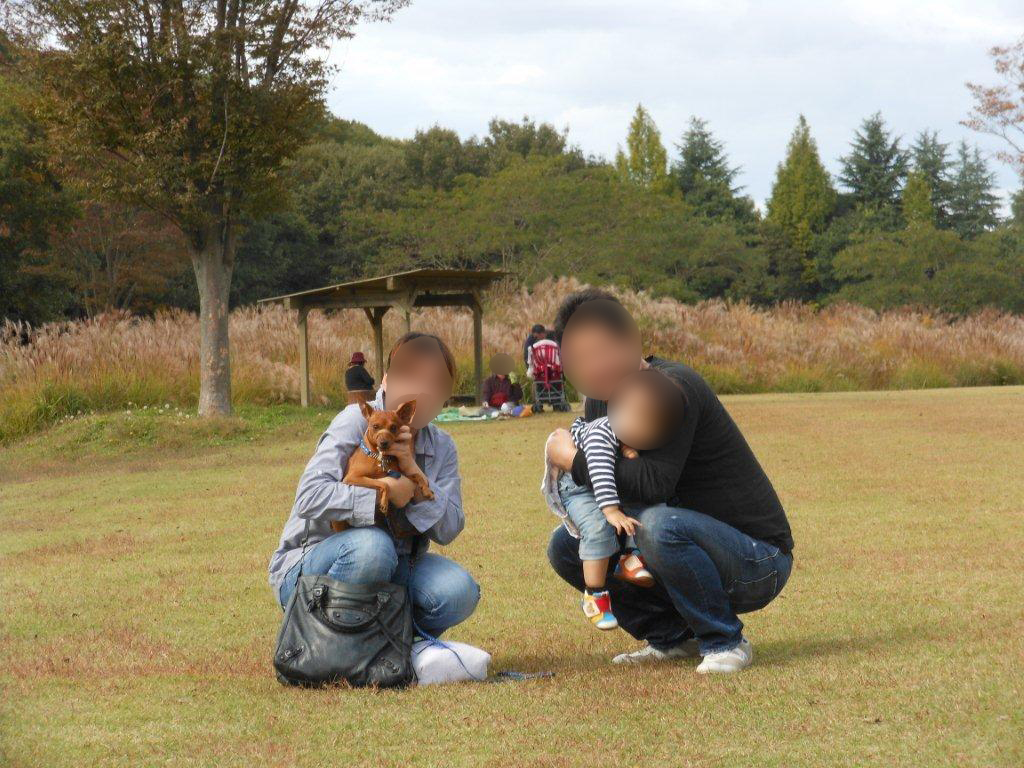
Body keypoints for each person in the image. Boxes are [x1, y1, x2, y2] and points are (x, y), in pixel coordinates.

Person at [544, 289, 794, 674]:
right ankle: (672, 638)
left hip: (756, 560)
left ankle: (725, 641)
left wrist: (573, 461)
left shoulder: (670, 390)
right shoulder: (602, 399)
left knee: (658, 525)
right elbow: (606, 487)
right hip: (677, 544)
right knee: (567, 545)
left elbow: (652, 485)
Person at [268, 332, 480, 638]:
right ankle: (332, 647)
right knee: (372, 548)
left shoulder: (442, 445)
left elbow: (450, 528)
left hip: (395, 564)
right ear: (387, 380)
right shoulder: (356, 420)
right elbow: (309, 498)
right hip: (312, 568)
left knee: (458, 591)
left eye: (435, 383)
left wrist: (414, 480)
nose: (423, 391)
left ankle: (394, 646)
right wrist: (387, 491)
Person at [552, 369, 686, 630]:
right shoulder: (601, 433)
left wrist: (627, 448)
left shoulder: (626, 431)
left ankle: (630, 559)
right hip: (578, 486)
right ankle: (594, 596)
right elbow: (598, 471)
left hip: (603, 483)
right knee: (598, 528)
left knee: (647, 508)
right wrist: (611, 510)